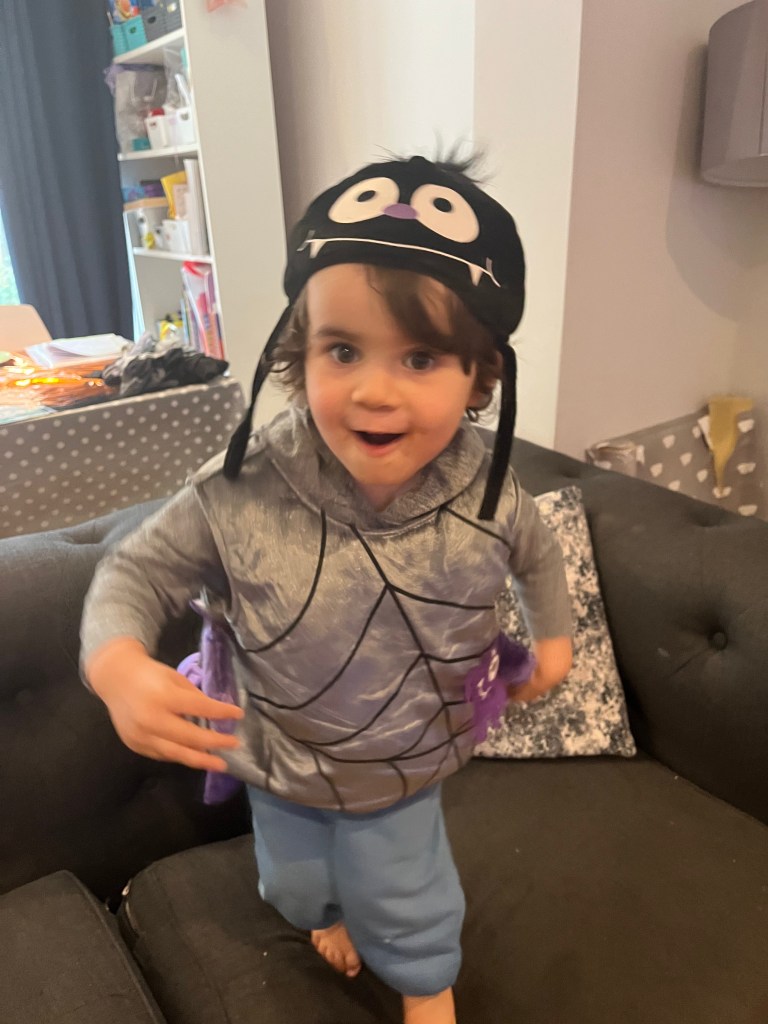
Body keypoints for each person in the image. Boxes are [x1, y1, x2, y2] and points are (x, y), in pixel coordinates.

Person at [81, 154, 573, 1024]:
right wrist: (116, 664)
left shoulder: (491, 490)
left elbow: (537, 556)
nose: (374, 391)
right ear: (296, 351)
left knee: (405, 894)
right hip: (276, 757)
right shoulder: (239, 486)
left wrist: (555, 640)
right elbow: (134, 570)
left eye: (420, 357)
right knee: (296, 885)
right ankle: (323, 912)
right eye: (343, 350)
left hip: (403, 761)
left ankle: (427, 985)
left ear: (480, 373)